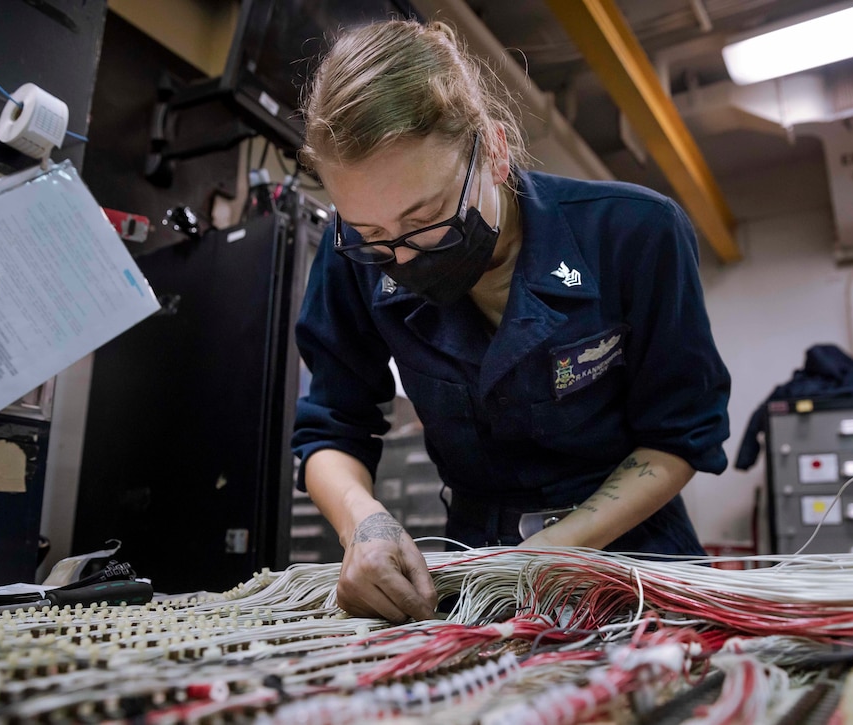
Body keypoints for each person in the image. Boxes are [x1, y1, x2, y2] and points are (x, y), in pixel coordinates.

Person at [292, 19, 730, 623]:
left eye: (429, 219)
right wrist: (361, 524)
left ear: (494, 151)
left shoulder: (634, 233)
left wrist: (555, 551)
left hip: (633, 556)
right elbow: (332, 427)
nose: (402, 256)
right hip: (478, 562)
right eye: (372, 236)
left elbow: (679, 436)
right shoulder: (351, 260)